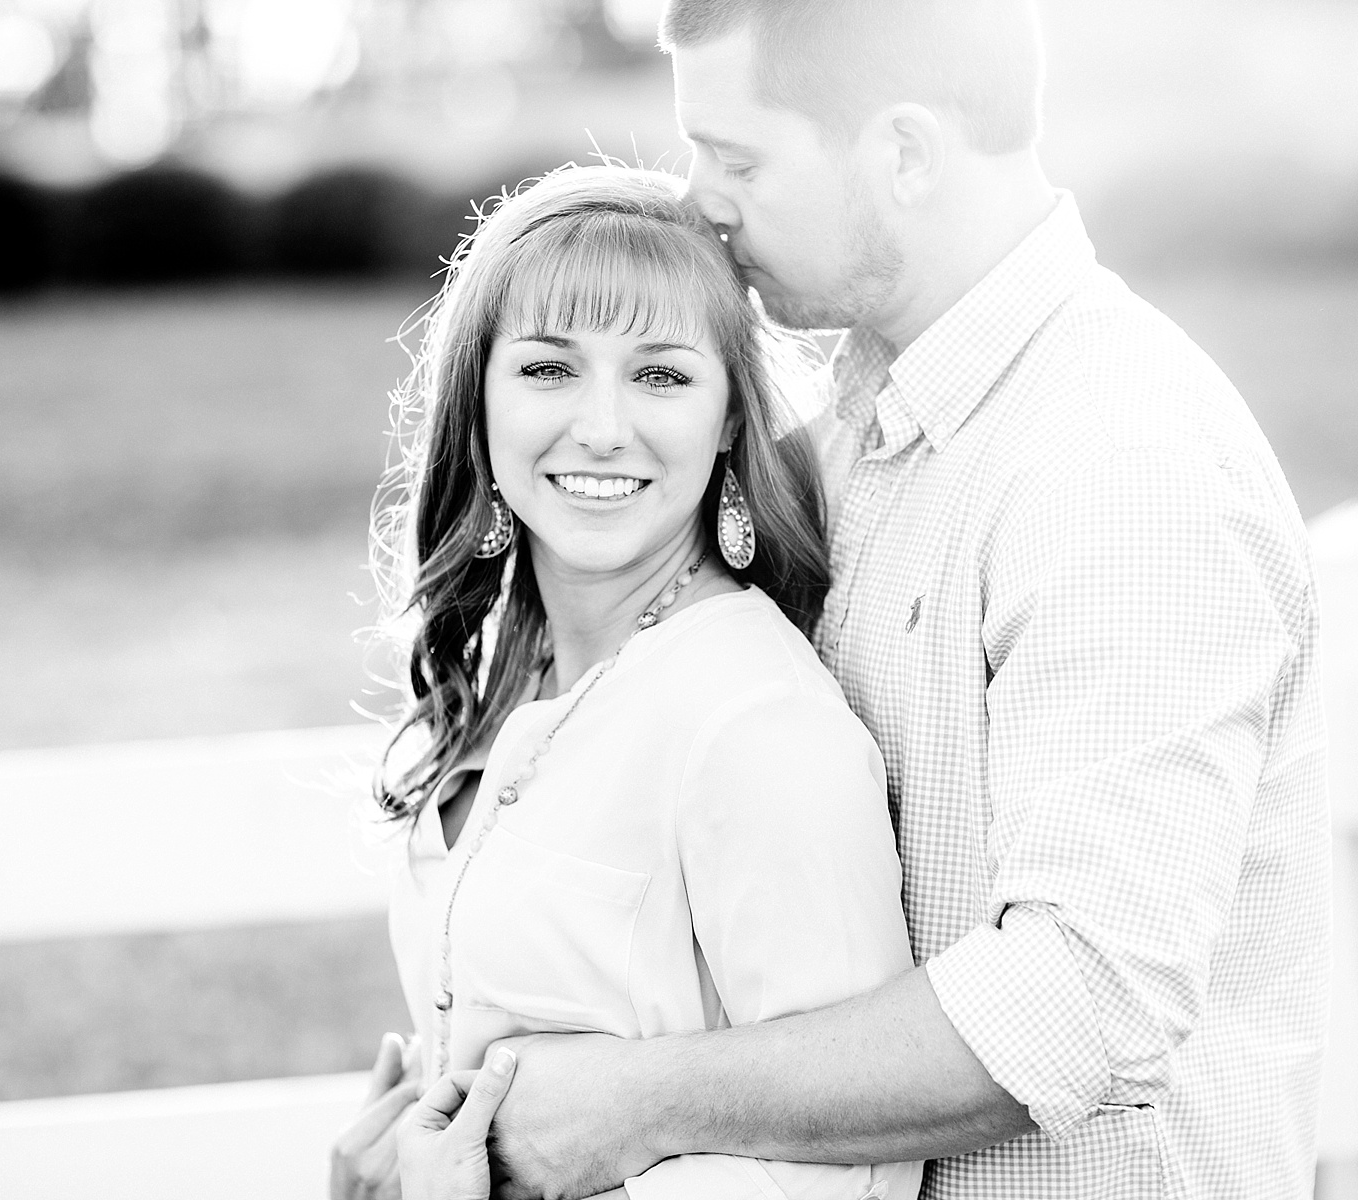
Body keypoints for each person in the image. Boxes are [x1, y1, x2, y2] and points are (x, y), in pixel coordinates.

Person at [482, 2, 1332, 1199]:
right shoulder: (846, 438)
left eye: (737, 158)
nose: (700, 203)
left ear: (906, 153)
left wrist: (632, 1104)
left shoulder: (1121, 462)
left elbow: (1087, 994)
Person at [329, 164, 924, 1200]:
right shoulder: (506, 677)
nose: (602, 426)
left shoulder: (753, 722)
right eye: (550, 368)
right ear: (477, 398)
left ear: (732, 418)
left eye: (661, 375)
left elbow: (854, 1173)